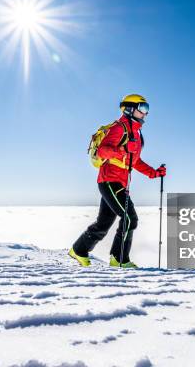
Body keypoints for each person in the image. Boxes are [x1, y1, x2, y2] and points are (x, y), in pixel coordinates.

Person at [69, 94, 166, 268]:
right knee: (130, 218)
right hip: (109, 180)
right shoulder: (119, 128)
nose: (146, 113)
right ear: (129, 108)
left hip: (119, 182)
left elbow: (134, 161)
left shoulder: (136, 133)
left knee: (103, 223)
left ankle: (79, 250)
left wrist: (154, 173)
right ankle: (119, 259)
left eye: (147, 109)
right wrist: (122, 150)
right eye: (143, 108)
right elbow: (103, 151)